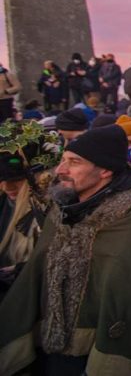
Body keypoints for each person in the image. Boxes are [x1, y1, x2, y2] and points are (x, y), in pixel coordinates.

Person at [0, 125, 131, 375]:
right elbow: (39, 270)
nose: (61, 170)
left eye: (74, 162)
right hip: (46, 349)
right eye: (63, 160)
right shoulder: (61, 211)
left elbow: (129, 296)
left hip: (94, 353)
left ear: (105, 170)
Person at [0, 122, 59, 296]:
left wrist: (17, 273)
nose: (6, 186)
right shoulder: (5, 204)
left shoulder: (50, 213)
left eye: (17, 180)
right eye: (2, 179)